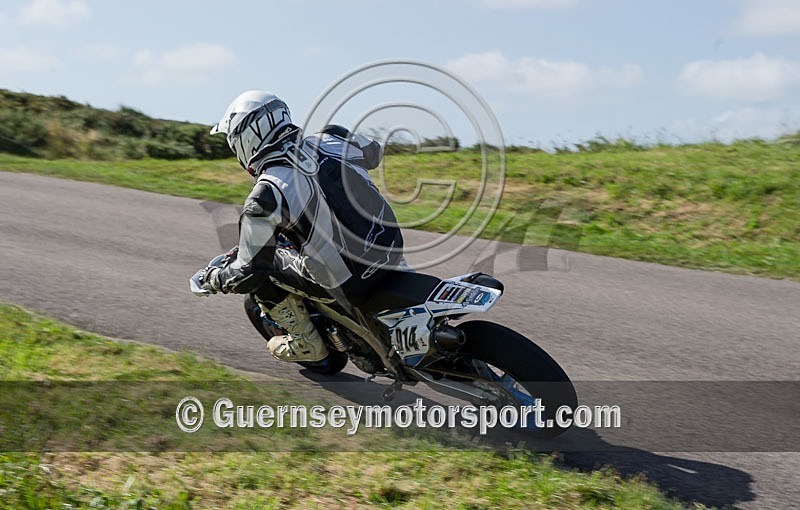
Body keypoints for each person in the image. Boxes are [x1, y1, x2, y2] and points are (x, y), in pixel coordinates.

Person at [194, 90, 403, 363]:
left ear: (245, 139)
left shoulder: (267, 192)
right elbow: (374, 153)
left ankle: (305, 342)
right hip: (391, 250)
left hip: (350, 280)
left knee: (264, 271)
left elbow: (248, 273)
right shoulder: (332, 138)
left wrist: (213, 279)